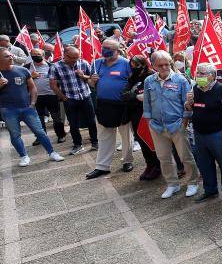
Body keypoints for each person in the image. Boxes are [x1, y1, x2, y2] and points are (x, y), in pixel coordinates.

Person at [143, 50, 199, 199]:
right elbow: (147, 104)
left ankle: (192, 182)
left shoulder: (180, 80)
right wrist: (149, 121)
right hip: (157, 126)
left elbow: (186, 104)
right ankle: (172, 184)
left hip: (177, 125)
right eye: (160, 65)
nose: (165, 68)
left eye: (167, 64)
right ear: (154, 66)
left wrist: (184, 121)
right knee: (164, 157)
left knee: (185, 156)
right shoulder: (149, 81)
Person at [0, 48, 64, 166]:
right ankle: (24, 156)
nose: (11, 57)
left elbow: (32, 88)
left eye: (11, 55)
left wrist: (32, 103)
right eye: (7, 56)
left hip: (27, 108)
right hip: (8, 110)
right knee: (15, 135)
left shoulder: (23, 70)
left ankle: (52, 152)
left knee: (40, 132)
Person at [187, 63, 222, 205]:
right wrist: (188, 102)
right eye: (198, 73)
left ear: (212, 75)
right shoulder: (195, 89)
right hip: (199, 134)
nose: (199, 76)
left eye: (202, 73)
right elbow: (190, 109)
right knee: (204, 164)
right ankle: (210, 190)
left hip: (217, 135)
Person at [85, 39, 134, 179]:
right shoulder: (96, 63)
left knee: (126, 135)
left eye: (109, 49)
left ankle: (127, 161)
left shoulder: (126, 63)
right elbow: (91, 84)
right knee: (104, 136)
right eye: (103, 47)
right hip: (103, 105)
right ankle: (102, 166)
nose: (105, 50)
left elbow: (132, 82)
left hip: (122, 106)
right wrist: (91, 81)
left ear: (117, 50)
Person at [49, 46, 98, 155]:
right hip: (70, 98)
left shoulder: (83, 63)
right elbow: (53, 85)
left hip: (85, 96)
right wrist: (63, 97)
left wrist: (83, 75)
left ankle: (95, 142)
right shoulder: (56, 67)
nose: (75, 60)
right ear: (65, 55)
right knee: (73, 123)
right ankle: (77, 144)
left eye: (77, 57)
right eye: (73, 58)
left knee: (91, 120)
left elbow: (91, 79)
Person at [124, 55, 161, 181]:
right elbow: (124, 95)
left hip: (149, 114)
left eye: (136, 66)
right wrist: (136, 97)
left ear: (144, 64)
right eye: (132, 66)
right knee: (141, 140)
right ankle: (149, 165)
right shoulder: (131, 78)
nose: (133, 68)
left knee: (151, 141)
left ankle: (157, 166)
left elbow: (154, 94)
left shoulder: (151, 76)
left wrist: (139, 97)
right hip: (135, 115)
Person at [30, 47, 66, 144]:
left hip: (51, 95)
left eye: (38, 55)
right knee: (39, 119)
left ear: (43, 55)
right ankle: (41, 137)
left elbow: (59, 80)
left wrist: (59, 94)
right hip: (37, 97)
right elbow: (23, 82)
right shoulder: (27, 67)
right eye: (33, 55)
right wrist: (31, 77)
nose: (35, 57)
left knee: (56, 118)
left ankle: (61, 135)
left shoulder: (52, 66)